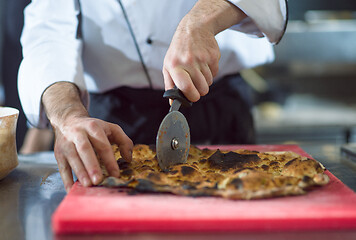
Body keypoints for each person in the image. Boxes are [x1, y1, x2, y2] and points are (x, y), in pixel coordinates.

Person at [18, 0, 288, 192]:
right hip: (116, 123)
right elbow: (48, 32)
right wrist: (67, 115)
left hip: (219, 103)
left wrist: (201, 21)